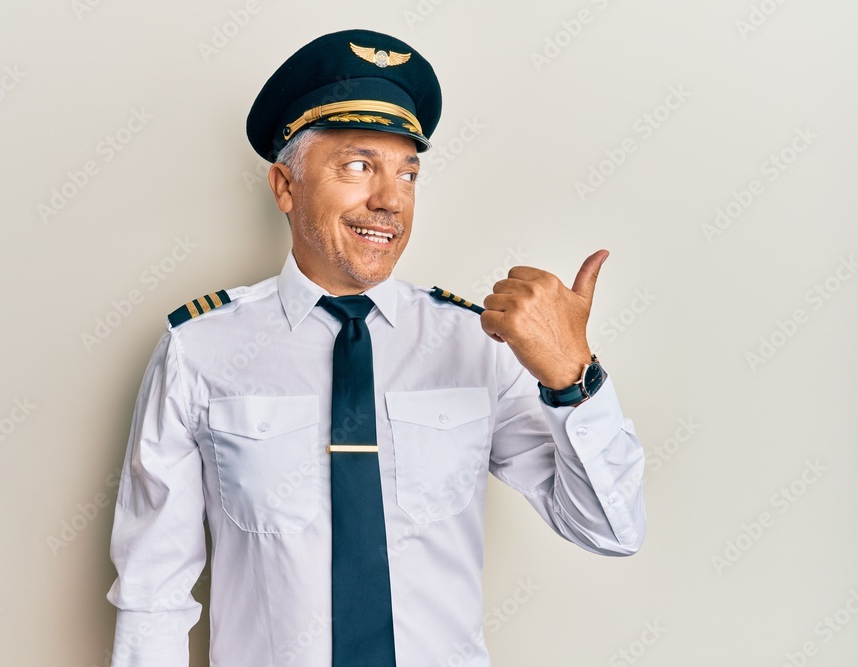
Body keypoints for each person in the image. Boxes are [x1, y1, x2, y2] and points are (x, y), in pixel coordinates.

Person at [105, 28, 646, 667]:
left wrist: (571, 379)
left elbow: (611, 531)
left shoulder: (479, 345)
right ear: (284, 186)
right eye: (359, 165)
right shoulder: (199, 351)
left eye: (407, 172)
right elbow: (153, 593)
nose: (389, 200)